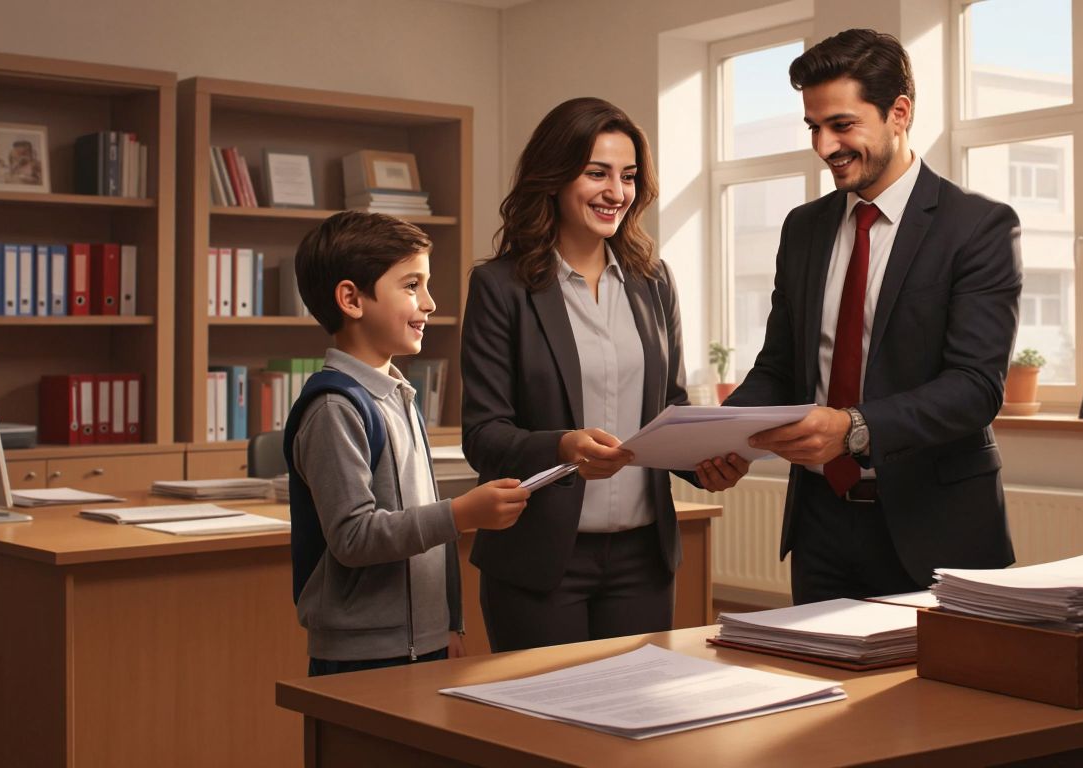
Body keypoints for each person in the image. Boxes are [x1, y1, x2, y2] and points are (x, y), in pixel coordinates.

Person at [726, 29, 1024, 603]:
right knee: (819, 692)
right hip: (820, 527)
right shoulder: (803, 228)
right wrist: (725, 434)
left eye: (842, 125)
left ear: (899, 113)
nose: (823, 146)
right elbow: (780, 366)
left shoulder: (978, 227)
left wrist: (854, 428)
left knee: (943, 696)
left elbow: (974, 388)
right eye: (814, 127)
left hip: (938, 530)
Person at [462, 97, 748, 651]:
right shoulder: (501, 288)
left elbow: (671, 406)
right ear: (554, 176)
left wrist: (707, 461)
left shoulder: (653, 280)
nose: (616, 192)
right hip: (541, 561)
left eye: (628, 176)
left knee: (636, 727)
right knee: (543, 730)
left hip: (644, 559)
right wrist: (564, 447)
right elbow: (484, 435)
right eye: (597, 173)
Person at [285, 211, 531, 676]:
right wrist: (461, 514)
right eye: (412, 285)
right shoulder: (334, 408)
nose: (431, 302)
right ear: (351, 299)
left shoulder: (399, 395)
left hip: (427, 643)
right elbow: (354, 537)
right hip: (360, 657)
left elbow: (432, 524)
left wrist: (451, 623)